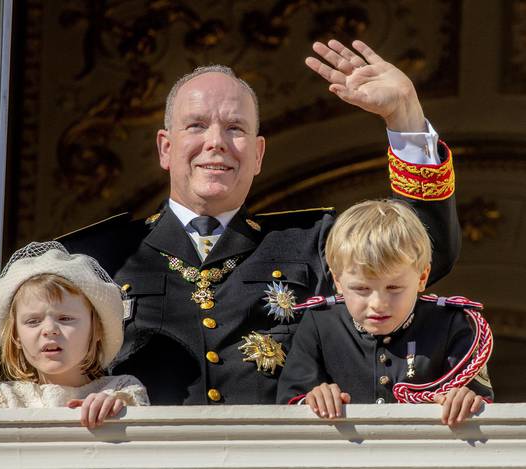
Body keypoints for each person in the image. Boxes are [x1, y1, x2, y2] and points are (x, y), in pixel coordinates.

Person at [56, 39, 461, 405]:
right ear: (165, 147)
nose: (215, 142)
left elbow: (422, 250)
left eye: (236, 129)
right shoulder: (93, 257)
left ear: (259, 154)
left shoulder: (314, 242)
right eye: (197, 125)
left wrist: (404, 115)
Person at [276, 199, 493, 426]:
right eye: (361, 289)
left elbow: (482, 406)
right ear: (338, 281)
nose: (378, 303)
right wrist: (313, 399)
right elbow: (289, 401)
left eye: (394, 288)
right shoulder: (319, 324)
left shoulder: (449, 323)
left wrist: (465, 399)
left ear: (422, 277)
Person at [0, 242, 149, 430]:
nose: (49, 330)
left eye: (65, 318)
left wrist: (118, 410)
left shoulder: (121, 389)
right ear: (17, 337)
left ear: (97, 330)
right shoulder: (3, 399)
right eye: (33, 321)